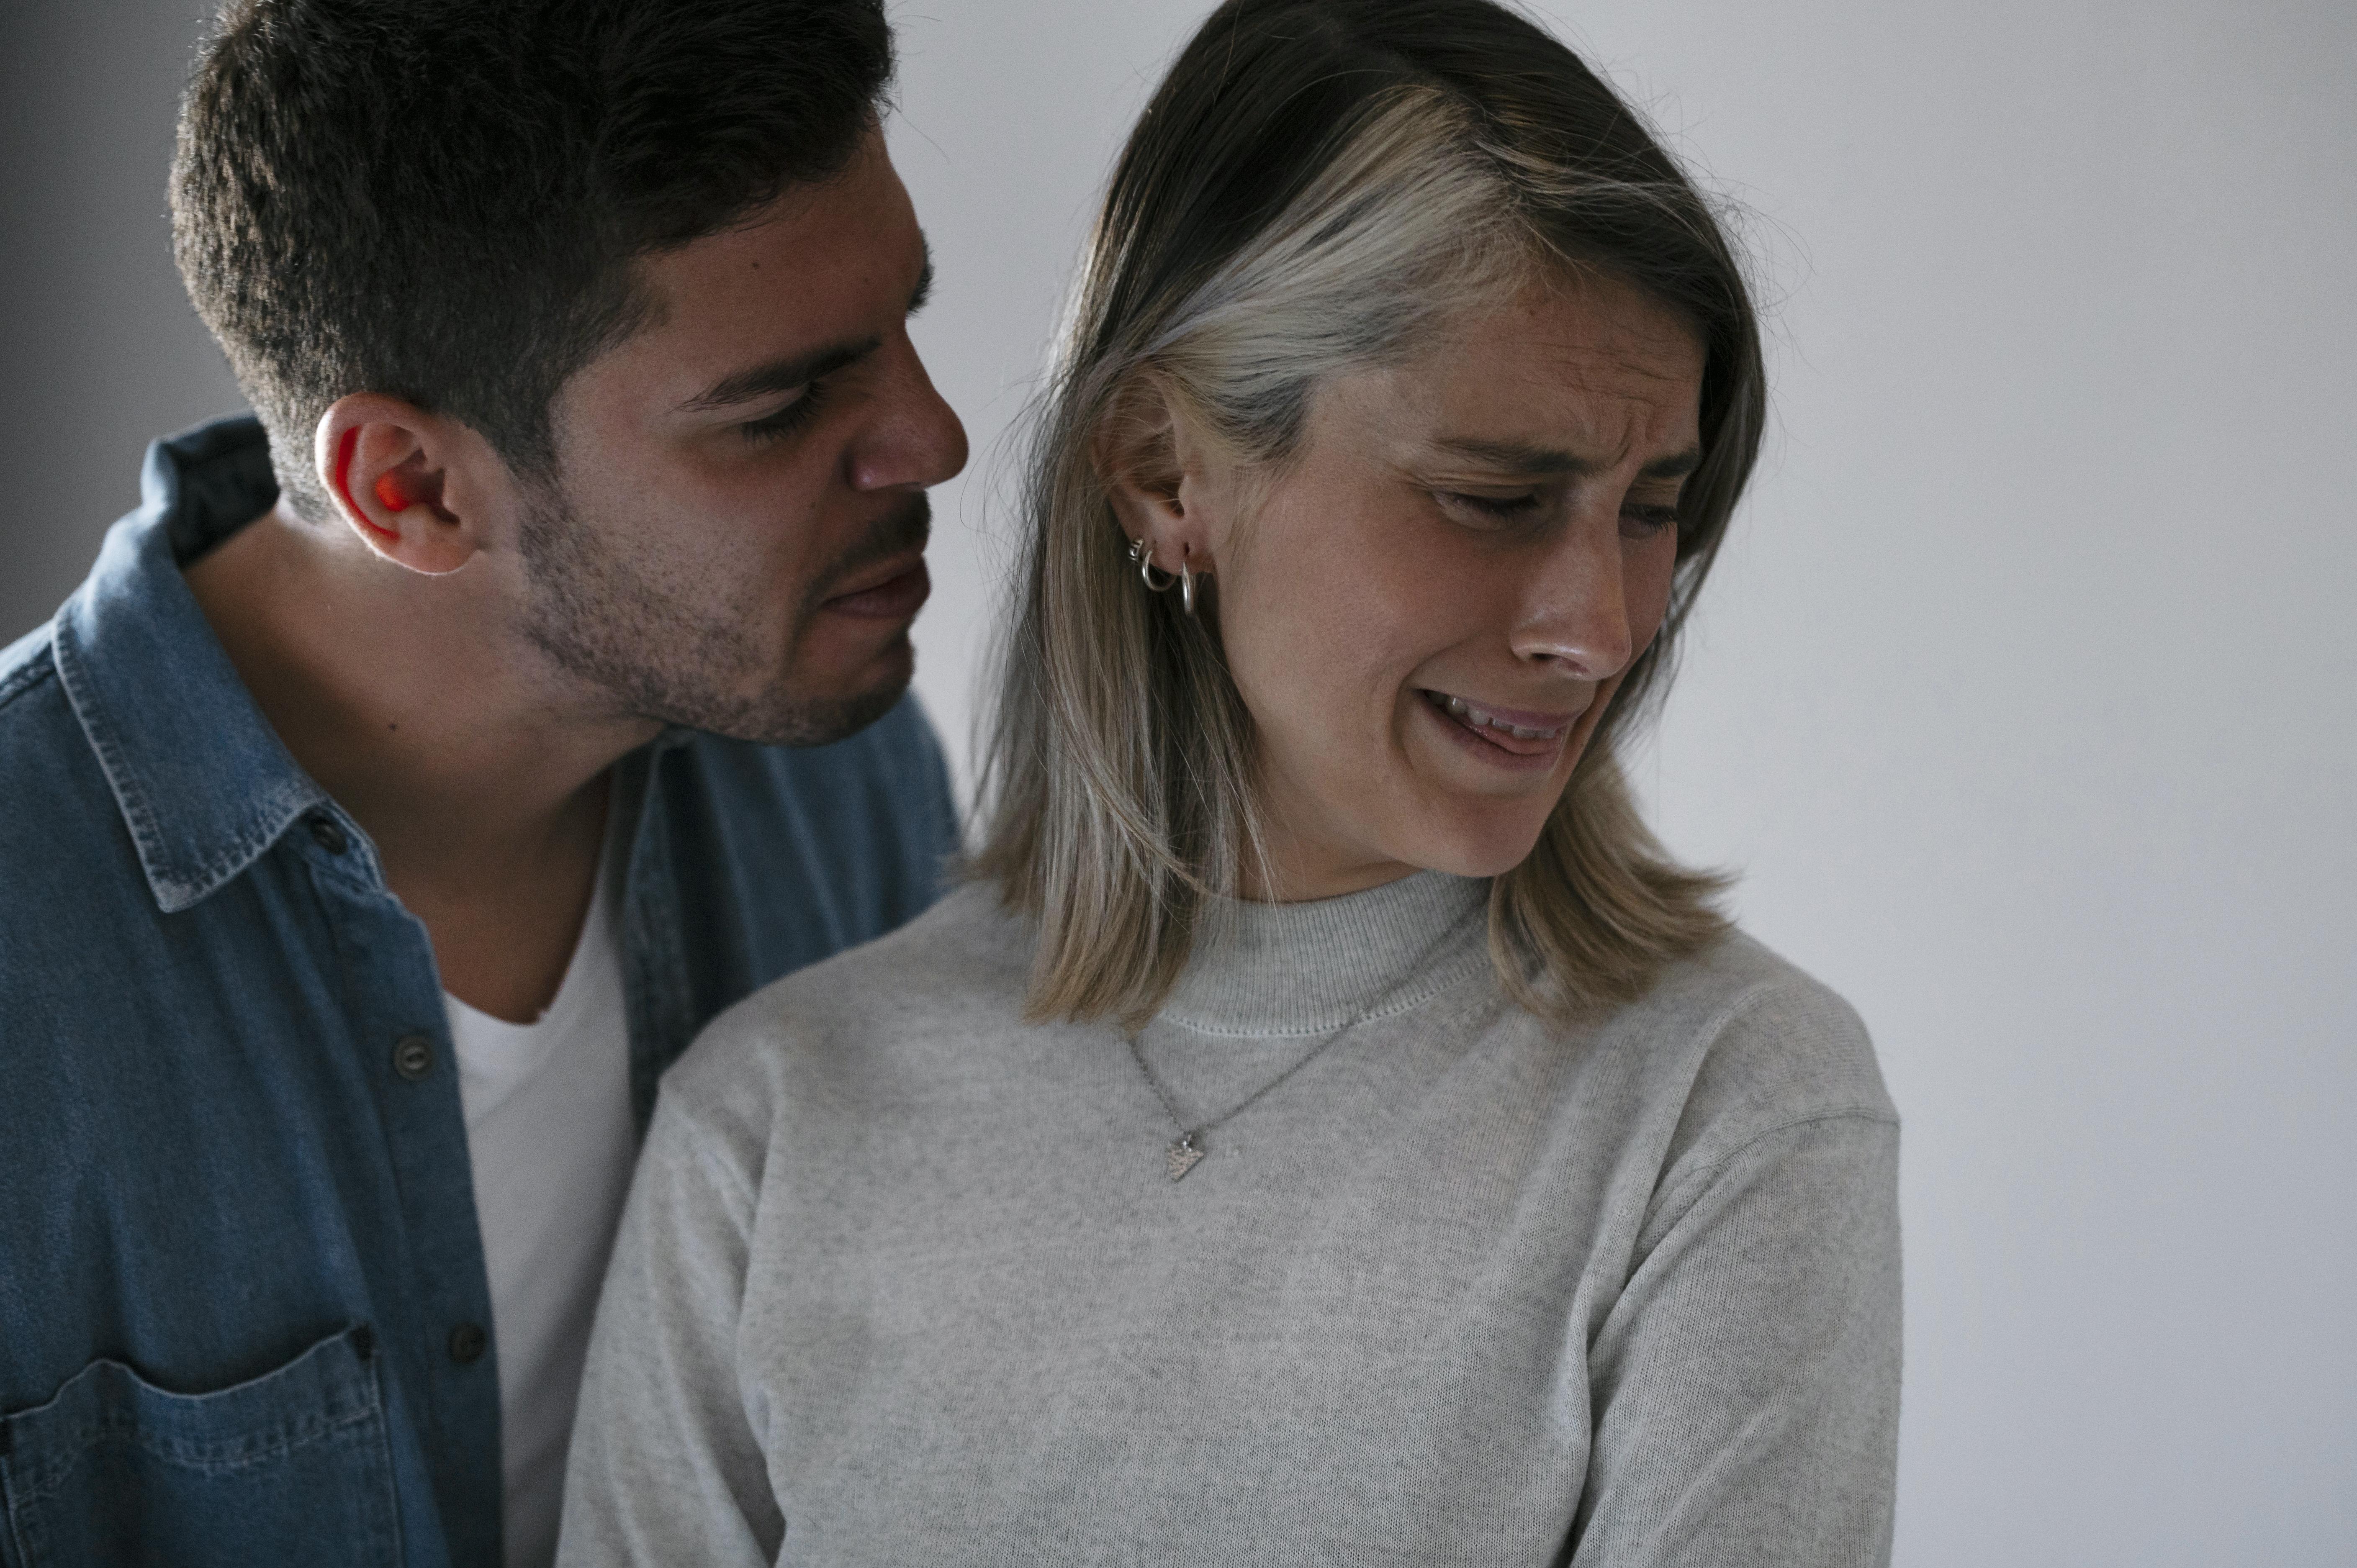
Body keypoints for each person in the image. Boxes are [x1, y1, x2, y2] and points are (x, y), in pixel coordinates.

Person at [559, 0, 1902, 1563]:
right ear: (1163, 472)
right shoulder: (771, 1122)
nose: (1597, 628)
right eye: (1493, 498)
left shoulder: (1726, 1106)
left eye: (1651, 509)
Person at [0, 1, 966, 1564]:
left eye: (907, 322)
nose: (933, 439)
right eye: (779, 407)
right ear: (411, 487)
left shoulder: (838, 779)